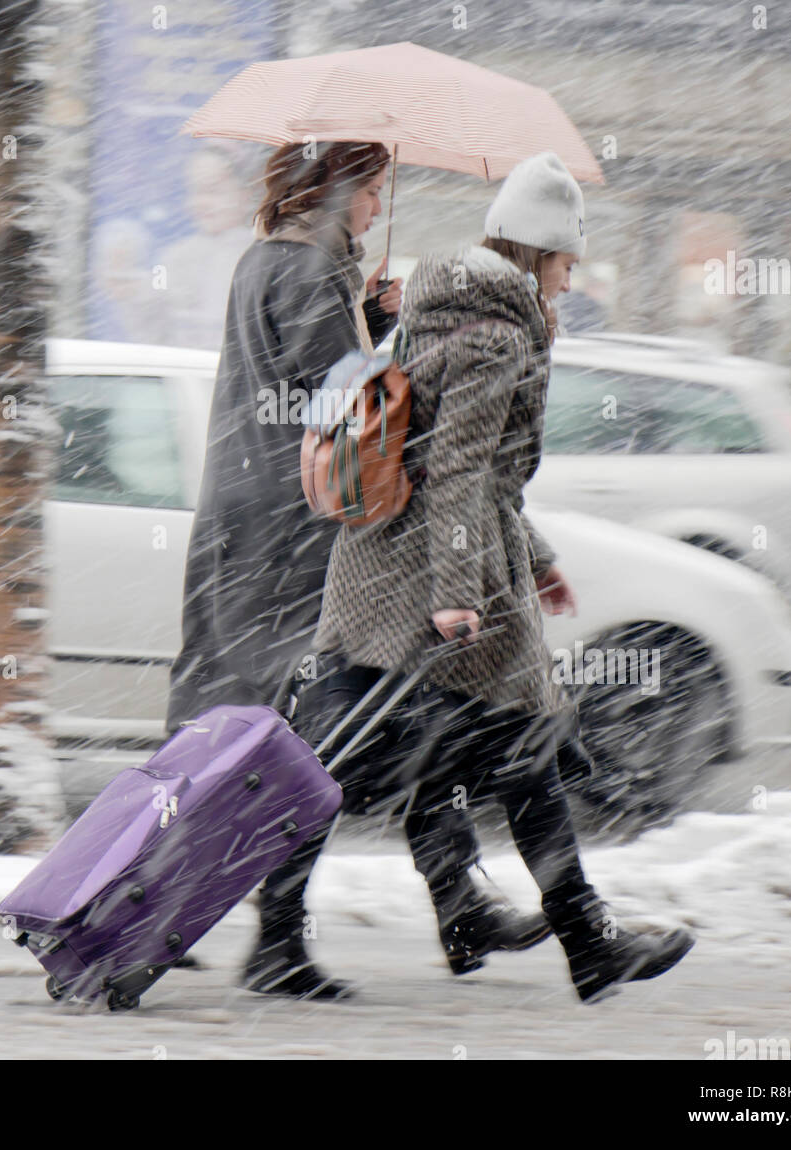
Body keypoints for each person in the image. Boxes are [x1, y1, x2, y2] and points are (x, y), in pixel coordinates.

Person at [245, 151, 695, 1004]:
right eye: (567, 262)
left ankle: (338, 932)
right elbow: (458, 471)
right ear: (537, 250)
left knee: (362, 760)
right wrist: (459, 593)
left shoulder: (440, 312)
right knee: (430, 758)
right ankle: (576, 939)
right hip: (430, 581)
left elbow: (461, 467)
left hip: (386, 571)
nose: (569, 280)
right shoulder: (496, 337)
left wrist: (536, 558)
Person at [170, 140, 550, 995]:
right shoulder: (306, 273)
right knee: (315, 739)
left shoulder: (270, 259)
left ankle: (444, 905)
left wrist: (367, 324)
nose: (378, 209)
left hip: (249, 518)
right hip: (293, 536)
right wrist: (384, 347)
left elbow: (319, 379)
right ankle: (258, 930)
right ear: (337, 191)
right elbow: (342, 403)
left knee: (322, 724)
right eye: (373, 192)